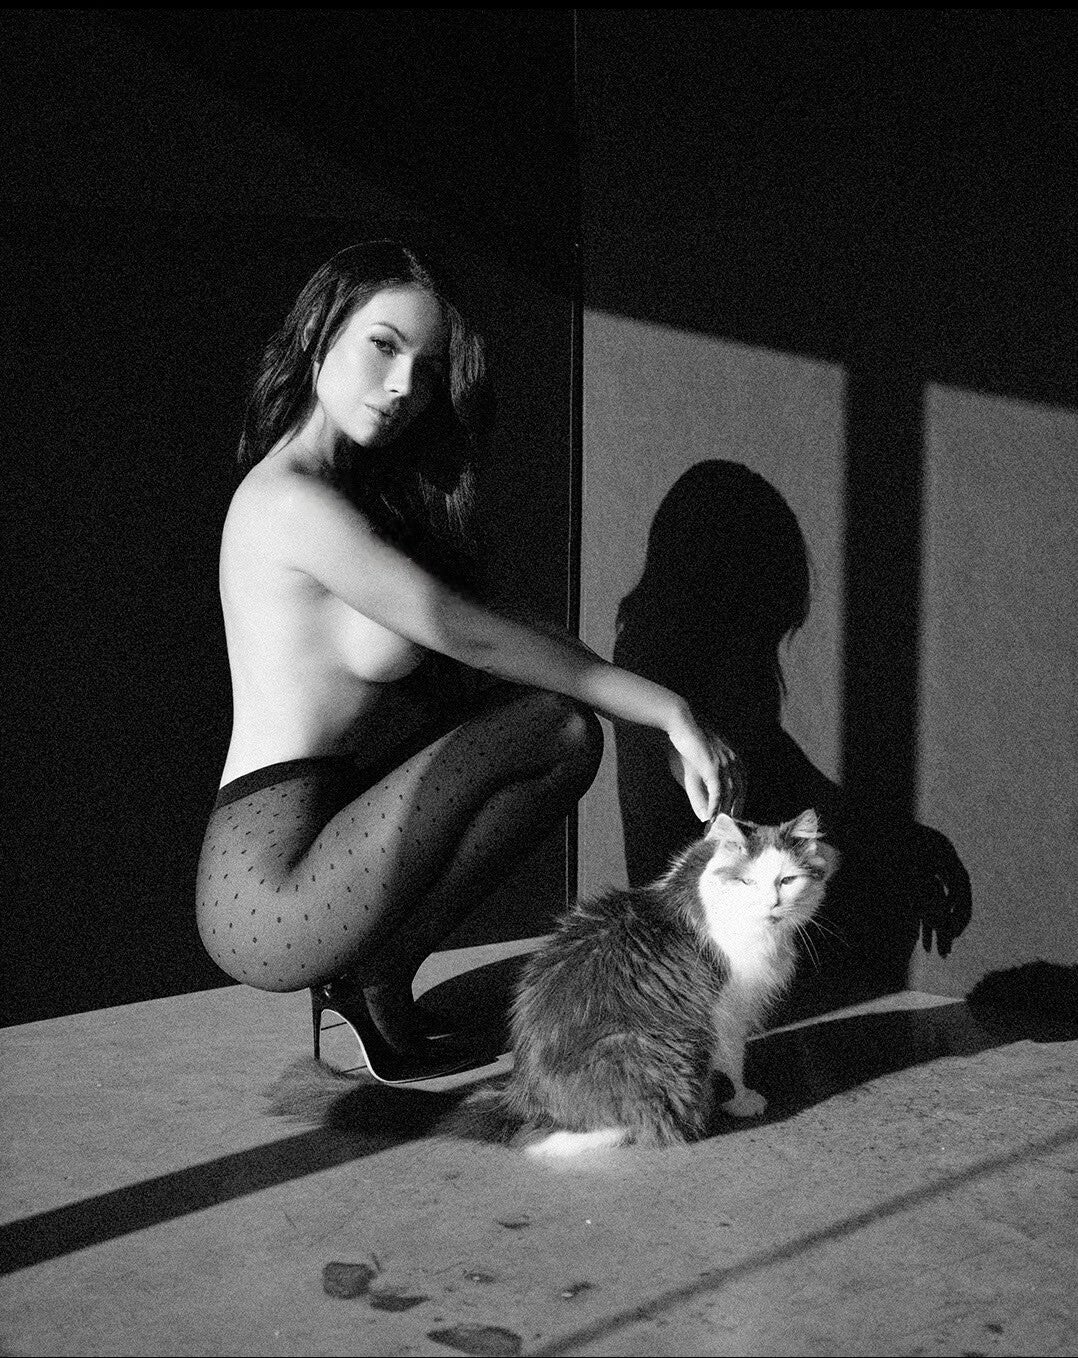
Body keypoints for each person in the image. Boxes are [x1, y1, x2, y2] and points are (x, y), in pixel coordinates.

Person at [196, 240, 735, 1083]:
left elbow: (510, 633)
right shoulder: (290, 502)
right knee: (555, 724)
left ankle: (376, 976)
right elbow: (474, 637)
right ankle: (370, 975)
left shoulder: (354, 498)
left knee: (561, 732)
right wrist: (668, 711)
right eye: (383, 346)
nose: (403, 385)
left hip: (329, 837)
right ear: (317, 333)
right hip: (266, 884)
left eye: (427, 368)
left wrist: (661, 711)